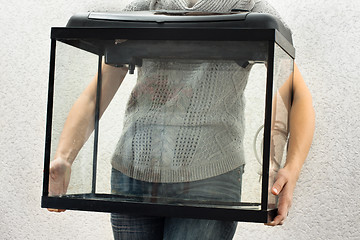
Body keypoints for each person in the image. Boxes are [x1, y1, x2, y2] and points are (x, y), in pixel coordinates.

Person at [48, 0, 315, 239]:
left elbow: (297, 97)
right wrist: (64, 156)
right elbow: (97, 93)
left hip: (210, 179)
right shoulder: (146, 6)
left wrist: (291, 169)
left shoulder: (252, 9)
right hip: (131, 174)